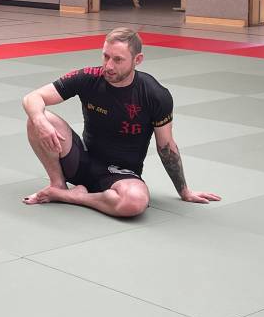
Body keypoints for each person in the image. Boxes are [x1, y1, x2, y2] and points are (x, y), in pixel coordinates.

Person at [22, 27, 220, 217]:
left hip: (120, 175)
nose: (108, 66)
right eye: (105, 56)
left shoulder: (154, 95)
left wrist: (184, 191)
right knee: (36, 119)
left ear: (137, 60)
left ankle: (69, 196)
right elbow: (33, 97)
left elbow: (166, 147)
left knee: (134, 202)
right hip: (81, 162)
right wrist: (40, 120)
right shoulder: (88, 77)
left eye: (118, 60)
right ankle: (58, 184)